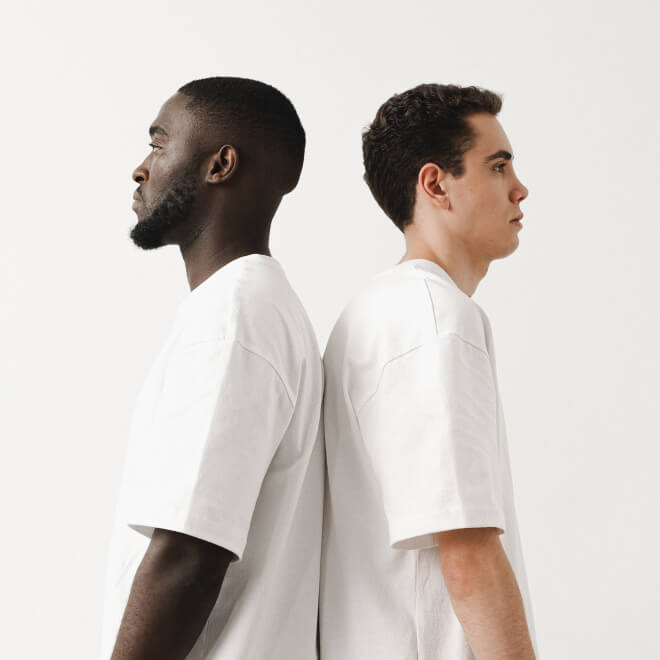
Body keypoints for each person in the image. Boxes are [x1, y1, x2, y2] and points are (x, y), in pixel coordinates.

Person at [101, 76, 324, 660]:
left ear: (220, 164)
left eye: (158, 144)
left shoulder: (234, 318)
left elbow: (189, 555)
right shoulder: (255, 309)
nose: (140, 169)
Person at [320, 84, 537, 659]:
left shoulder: (374, 312)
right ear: (436, 185)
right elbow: (468, 553)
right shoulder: (436, 319)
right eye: (498, 166)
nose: (520, 188)